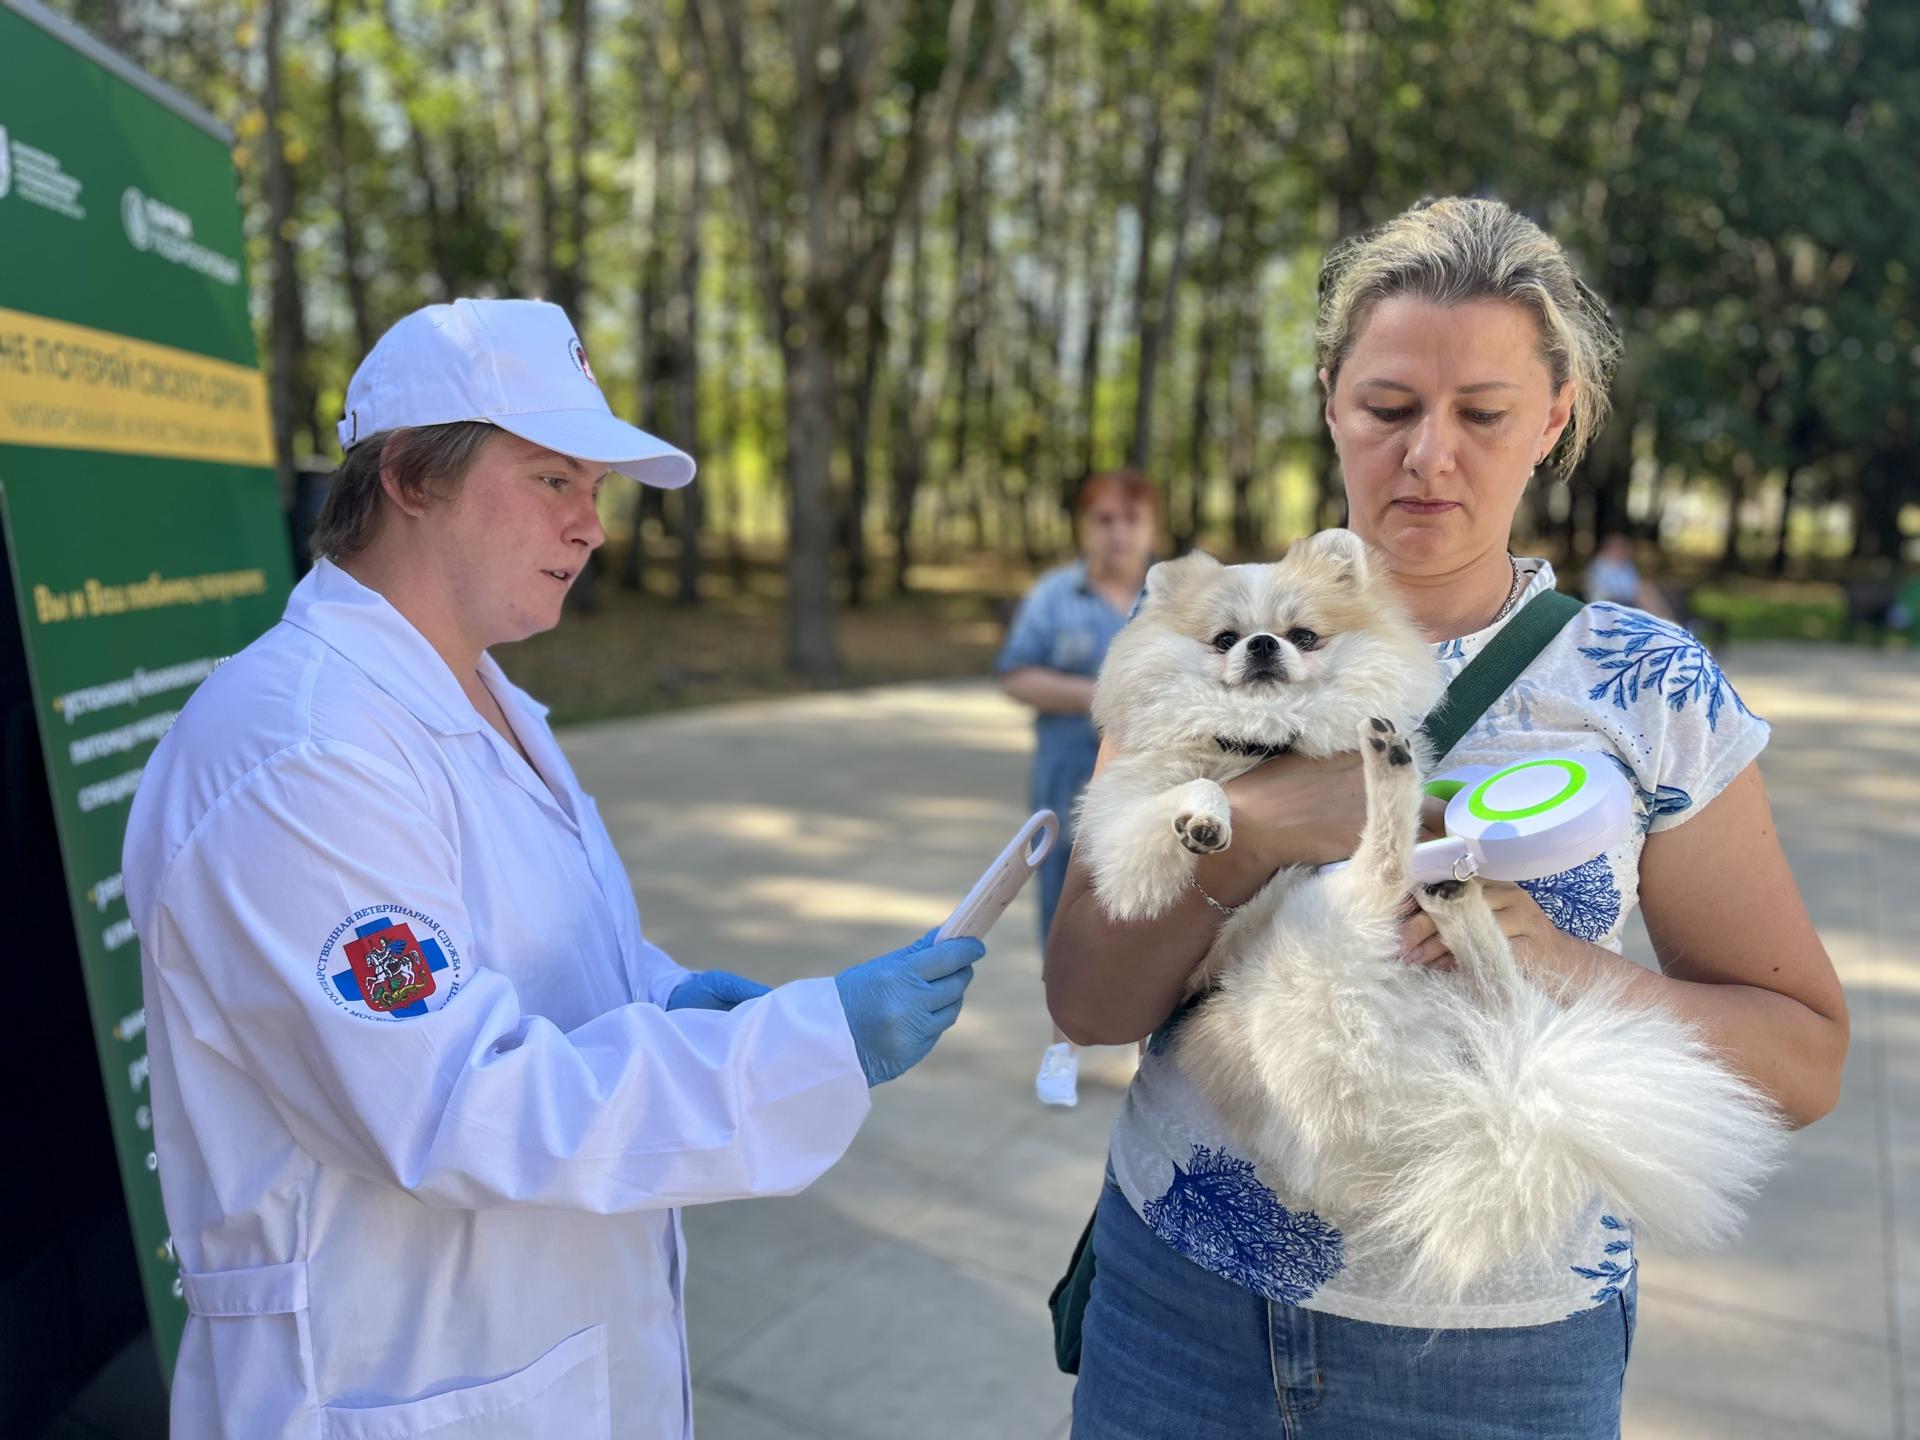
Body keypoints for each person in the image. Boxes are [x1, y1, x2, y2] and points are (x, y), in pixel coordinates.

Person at [1045, 198, 1849, 1437]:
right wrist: (1252, 829)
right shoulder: (1196, 647)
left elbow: (1802, 1060)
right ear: (1329, 402)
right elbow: (1088, 1004)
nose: (1430, 456)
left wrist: (1560, 964)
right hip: (1182, 1303)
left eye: (1481, 414)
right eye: (1388, 409)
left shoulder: (1651, 688)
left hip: (1495, 1357)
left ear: (1554, 419)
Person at [121, 298, 985, 1439]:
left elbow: (533, 947)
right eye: (552, 480)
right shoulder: (301, 750)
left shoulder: (474, 696)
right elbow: (459, 1102)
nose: (592, 527)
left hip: (534, 1355)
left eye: (596, 490)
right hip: (386, 1375)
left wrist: (668, 993)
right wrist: (802, 1047)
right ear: (408, 477)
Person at [997, 470, 1156, 1106]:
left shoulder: (1175, 596)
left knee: (1158, 910)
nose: (1117, 533)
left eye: (1130, 519)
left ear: (1152, 527)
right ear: (1084, 526)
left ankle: (1151, 1056)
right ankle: (1062, 1050)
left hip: (1154, 785)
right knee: (1066, 916)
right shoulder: (1054, 597)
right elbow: (1015, 673)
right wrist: (1098, 699)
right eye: (1104, 520)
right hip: (1067, 780)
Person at [1586, 529, 1674, 618]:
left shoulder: (1625, 565)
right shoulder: (1601, 565)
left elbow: (1633, 584)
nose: (1626, 551)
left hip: (1627, 598)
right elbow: (1607, 592)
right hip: (1607, 601)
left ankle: (1665, 619)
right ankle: (1665, 619)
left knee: (1646, 588)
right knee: (1645, 590)